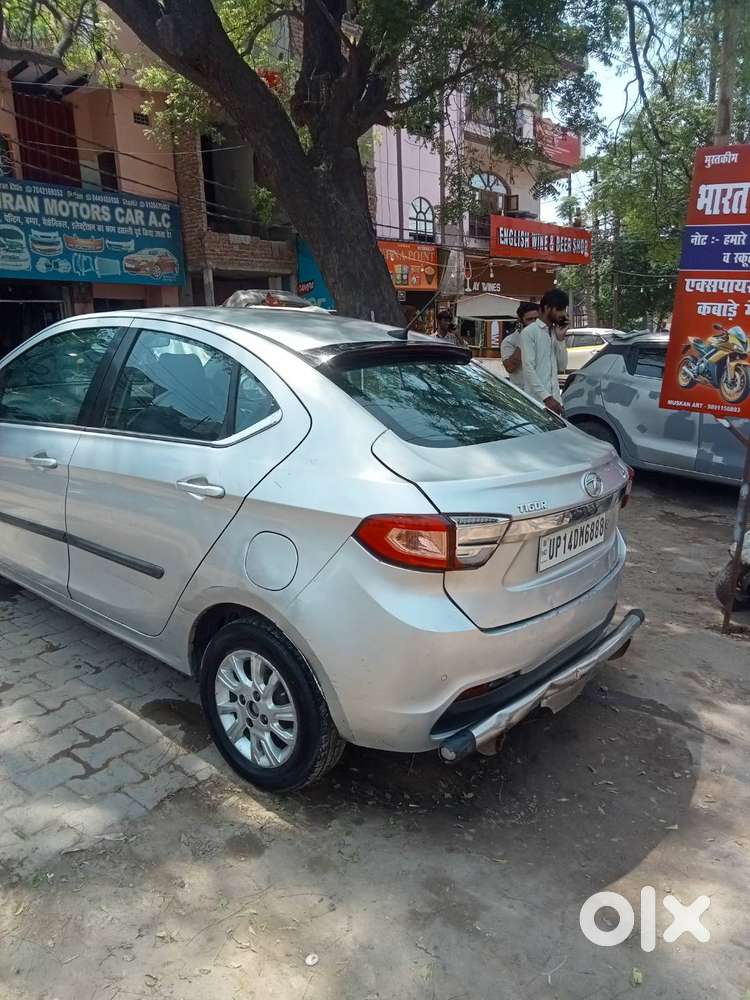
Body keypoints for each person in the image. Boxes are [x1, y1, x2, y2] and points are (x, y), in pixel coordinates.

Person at [520, 288, 569, 414]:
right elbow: (528, 368)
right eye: (559, 309)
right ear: (547, 308)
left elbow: (562, 366)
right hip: (537, 404)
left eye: (564, 310)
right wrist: (547, 398)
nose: (562, 314)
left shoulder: (554, 332)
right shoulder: (530, 332)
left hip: (556, 403)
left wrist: (560, 339)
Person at [500, 301, 540, 388]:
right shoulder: (510, 341)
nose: (534, 323)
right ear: (521, 321)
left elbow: (561, 366)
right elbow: (510, 367)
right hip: (524, 393)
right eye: (529, 319)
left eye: (537, 319)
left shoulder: (547, 337)